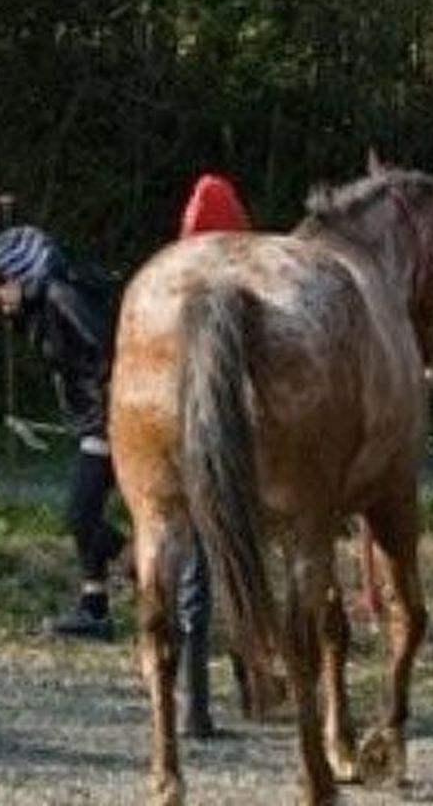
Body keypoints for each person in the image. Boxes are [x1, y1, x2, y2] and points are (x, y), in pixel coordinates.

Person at [0, 222, 126, 640]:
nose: (1, 306)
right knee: (86, 516)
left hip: (108, 419)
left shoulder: (63, 297)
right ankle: (94, 608)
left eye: (2, 291)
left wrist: (107, 420)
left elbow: (105, 354)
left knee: (80, 514)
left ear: (23, 273)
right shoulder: (44, 303)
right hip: (93, 421)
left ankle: (147, 571)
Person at [171, 171, 252, 737]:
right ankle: (253, 688)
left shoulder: (170, 292)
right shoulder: (256, 292)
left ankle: (192, 701)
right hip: (248, 451)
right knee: (247, 564)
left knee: (195, 569)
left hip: (187, 448)